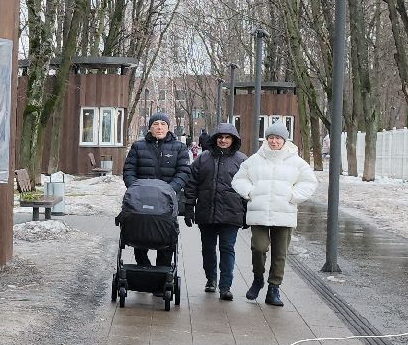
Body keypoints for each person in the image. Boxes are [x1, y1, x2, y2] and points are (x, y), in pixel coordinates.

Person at [231, 122, 317, 306]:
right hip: (259, 212)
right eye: (271, 138)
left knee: (280, 254)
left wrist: (293, 196)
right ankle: (258, 279)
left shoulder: (296, 161)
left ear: (284, 140)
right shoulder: (255, 159)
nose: (274, 141)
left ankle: (274, 288)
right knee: (259, 248)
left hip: (284, 213)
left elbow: (309, 182)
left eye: (278, 138)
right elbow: (239, 179)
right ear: (266, 139)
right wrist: (250, 193)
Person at [183, 122, 247, 301]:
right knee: (208, 249)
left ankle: (225, 286)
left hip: (231, 213)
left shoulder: (242, 161)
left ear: (233, 140)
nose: (224, 140)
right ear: (215, 139)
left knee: (227, 249)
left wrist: (247, 214)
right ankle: (211, 279)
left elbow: (249, 189)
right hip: (206, 212)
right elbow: (191, 184)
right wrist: (189, 207)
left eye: (227, 137)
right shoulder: (203, 159)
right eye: (220, 137)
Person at [121, 111, 191, 267]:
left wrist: (170, 190)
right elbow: (129, 170)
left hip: (167, 201)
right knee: (140, 235)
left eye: (163, 124)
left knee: (166, 238)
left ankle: (162, 275)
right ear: (150, 128)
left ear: (168, 127)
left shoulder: (179, 148)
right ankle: (143, 267)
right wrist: (135, 189)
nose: (159, 127)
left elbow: (184, 172)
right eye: (155, 124)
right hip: (141, 200)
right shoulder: (138, 146)